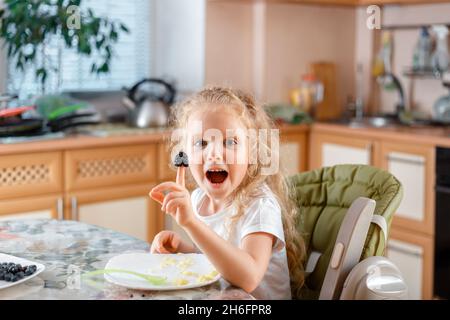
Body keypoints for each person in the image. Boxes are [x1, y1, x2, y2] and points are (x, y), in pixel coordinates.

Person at [149, 87, 305, 299]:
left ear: (252, 152)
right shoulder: (198, 200)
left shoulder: (259, 205)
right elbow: (216, 262)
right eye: (201, 143)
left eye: (230, 142)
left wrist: (191, 223)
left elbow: (248, 277)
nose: (213, 153)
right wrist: (181, 249)